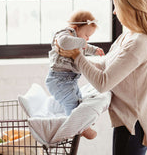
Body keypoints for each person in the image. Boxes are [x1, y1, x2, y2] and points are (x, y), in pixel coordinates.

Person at [56, 0, 147, 155]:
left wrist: (77, 55)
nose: (115, 12)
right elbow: (105, 64)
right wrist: (71, 57)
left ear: (131, 7)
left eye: (117, 5)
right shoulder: (129, 35)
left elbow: (103, 82)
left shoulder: (140, 42)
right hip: (126, 121)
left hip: (133, 124)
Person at [45, 10, 105, 139]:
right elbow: (64, 43)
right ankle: (80, 127)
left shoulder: (77, 40)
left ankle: (83, 121)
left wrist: (94, 50)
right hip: (58, 80)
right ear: (75, 28)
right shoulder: (65, 34)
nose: (87, 39)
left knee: (78, 101)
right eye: (86, 35)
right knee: (71, 103)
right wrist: (82, 42)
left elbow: (84, 47)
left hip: (70, 80)